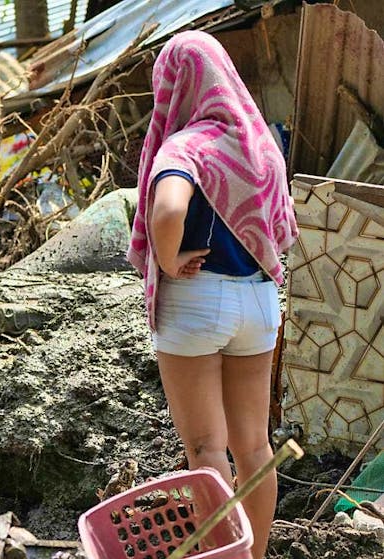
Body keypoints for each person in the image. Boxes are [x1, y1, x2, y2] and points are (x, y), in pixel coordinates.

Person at [127, 31, 298, 559]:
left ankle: (224, 555)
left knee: (206, 449)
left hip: (198, 301)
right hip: (259, 301)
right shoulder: (261, 143)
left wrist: (168, 256)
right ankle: (256, 553)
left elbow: (169, 209)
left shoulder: (187, 143)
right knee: (253, 446)